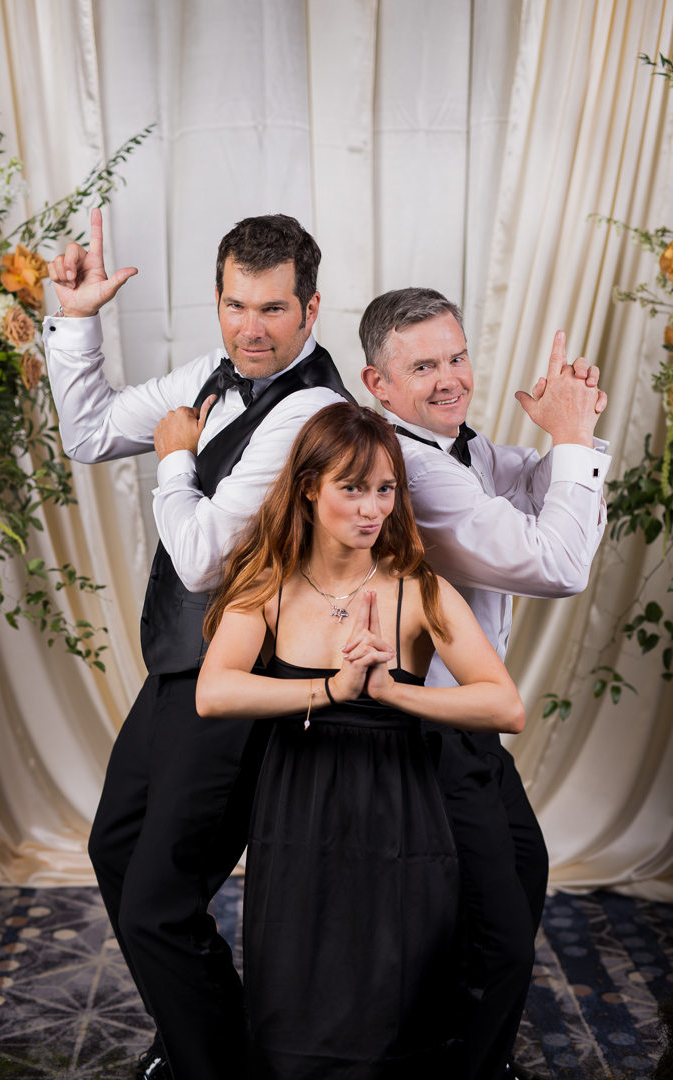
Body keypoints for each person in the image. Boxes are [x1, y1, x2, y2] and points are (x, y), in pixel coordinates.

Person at [44, 210, 352, 1080]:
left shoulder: (313, 412)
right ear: (217, 300)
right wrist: (77, 321)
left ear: (311, 308)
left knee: (158, 906)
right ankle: (197, 1043)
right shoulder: (213, 374)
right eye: (234, 305)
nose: (251, 328)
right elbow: (89, 433)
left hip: (242, 681)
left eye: (273, 309)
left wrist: (174, 457)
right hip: (181, 670)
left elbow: (205, 558)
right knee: (115, 851)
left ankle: (213, 1065)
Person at [196, 401, 525, 1079]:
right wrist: (332, 690)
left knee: (395, 981)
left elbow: (506, 706)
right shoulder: (268, 584)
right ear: (308, 487)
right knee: (297, 979)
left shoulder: (421, 589)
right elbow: (214, 692)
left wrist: (393, 692)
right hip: (298, 805)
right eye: (352, 488)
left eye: (385, 489)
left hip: (400, 806)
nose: (373, 509)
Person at [359, 288, 610, 1080]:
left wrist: (574, 431)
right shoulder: (411, 471)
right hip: (424, 729)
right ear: (377, 385)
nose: (450, 378)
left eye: (458, 357)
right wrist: (570, 439)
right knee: (490, 933)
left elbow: (559, 504)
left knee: (520, 879)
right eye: (423, 366)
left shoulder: (471, 453)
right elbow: (557, 564)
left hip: (472, 726)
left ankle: (474, 1061)